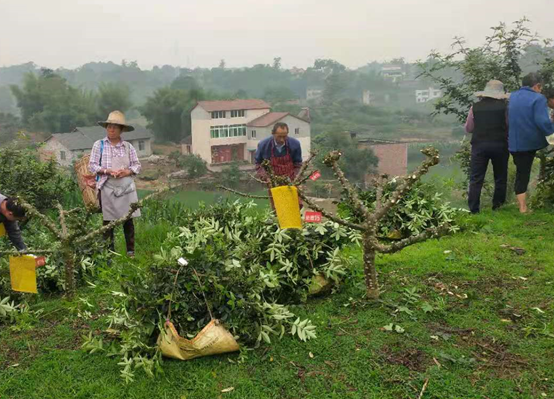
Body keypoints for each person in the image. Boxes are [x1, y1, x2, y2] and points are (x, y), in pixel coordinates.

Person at [88, 111, 141, 257]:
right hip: (108, 187)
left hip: (126, 188)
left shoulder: (128, 147)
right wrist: (107, 171)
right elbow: (92, 166)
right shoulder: (99, 145)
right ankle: (109, 253)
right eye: (109, 127)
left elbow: (137, 166)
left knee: (128, 220)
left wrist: (127, 172)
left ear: (121, 130)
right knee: (108, 221)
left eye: (115, 127)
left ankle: (131, 252)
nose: (111, 130)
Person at [508, 72, 554, 213]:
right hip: (529, 142)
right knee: (524, 173)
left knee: (522, 172)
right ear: (537, 86)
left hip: (514, 142)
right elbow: (542, 121)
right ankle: (523, 208)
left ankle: (522, 206)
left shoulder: (513, 96)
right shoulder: (538, 98)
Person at [464, 80, 510, 213]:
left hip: (479, 145)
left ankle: (474, 209)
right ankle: (498, 207)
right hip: (500, 145)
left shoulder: (475, 107)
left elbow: (469, 128)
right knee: (500, 177)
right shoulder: (505, 107)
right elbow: (508, 125)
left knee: (476, 178)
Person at [255, 122, 303, 207]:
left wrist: (296, 178)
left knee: (295, 206)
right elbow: (258, 164)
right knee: (279, 209)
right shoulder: (264, 145)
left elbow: (298, 164)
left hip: (291, 181)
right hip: (273, 183)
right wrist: (266, 177)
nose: (282, 140)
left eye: (284, 136)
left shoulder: (295, 144)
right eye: (279, 136)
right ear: (273, 133)